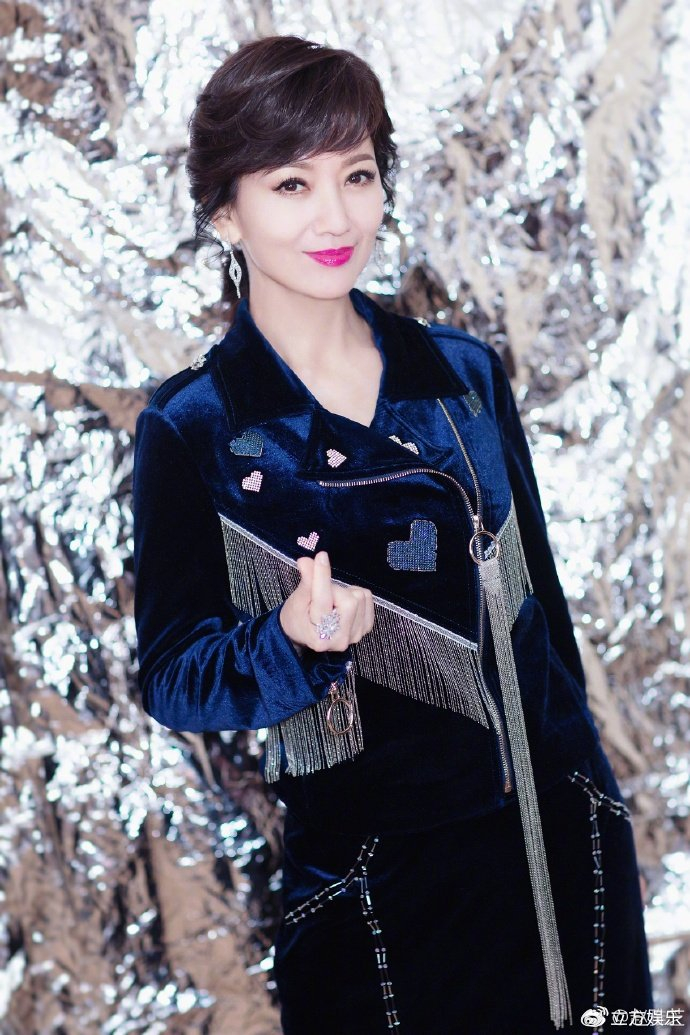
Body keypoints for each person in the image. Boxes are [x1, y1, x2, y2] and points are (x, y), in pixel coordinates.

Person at [132, 34, 655, 1034]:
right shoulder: (196, 426)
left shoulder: (461, 375)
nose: (336, 217)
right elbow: (171, 675)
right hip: (373, 898)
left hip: (560, 857)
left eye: (358, 175)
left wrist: (596, 802)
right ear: (225, 212)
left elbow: (545, 622)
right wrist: (289, 642)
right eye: (292, 184)